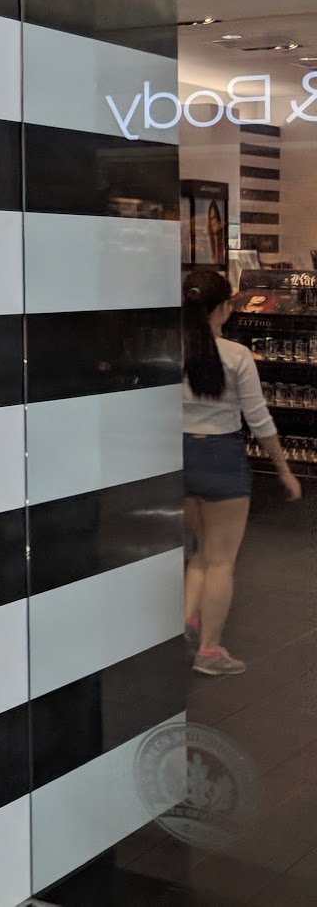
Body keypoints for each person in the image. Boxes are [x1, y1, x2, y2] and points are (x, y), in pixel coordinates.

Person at [181, 267, 301, 676]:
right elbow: (260, 421)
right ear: (223, 309)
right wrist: (284, 470)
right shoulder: (236, 356)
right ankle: (209, 651)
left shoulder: (169, 351)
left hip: (180, 457)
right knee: (221, 561)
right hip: (222, 459)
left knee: (200, 552)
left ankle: (186, 622)